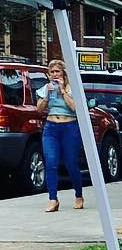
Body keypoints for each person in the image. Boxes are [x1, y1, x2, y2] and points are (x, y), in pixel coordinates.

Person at [37, 58, 85, 212]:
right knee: (51, 163)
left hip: (69, 127)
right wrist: (47, 96)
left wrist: (63, 90)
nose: (54, 74)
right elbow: (39, 109)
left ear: (63, 73)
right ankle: (53, 199)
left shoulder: (71, 88)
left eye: (57, 71)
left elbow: (75, 108)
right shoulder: (46, 88)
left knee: (71, 163)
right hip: (51, 128)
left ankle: (78, 195)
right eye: (51, 72)